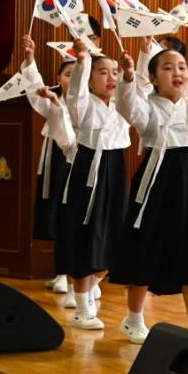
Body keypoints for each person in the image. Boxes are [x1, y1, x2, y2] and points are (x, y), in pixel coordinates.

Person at [110, 30, 188, 344]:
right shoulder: (148, 108)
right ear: (154, 79)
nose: (177, 72)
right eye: (167, 68)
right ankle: (133, 319)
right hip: (155, 181)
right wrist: (128, 77)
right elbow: (128, 107)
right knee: (146, 245)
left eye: (181, 67)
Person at [62, 39, 131, 330]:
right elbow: (76, 94)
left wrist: (139, 59)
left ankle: (90, 289)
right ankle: (81, 308)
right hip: (88, 168)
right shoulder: (83, 105)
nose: (111, 77)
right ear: (90, 80)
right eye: (102, 72)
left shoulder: (123, 104)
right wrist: (82, 62)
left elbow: (140, 89)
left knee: (116, 236)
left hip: (116, 168)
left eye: (114, 72)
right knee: (85, 235)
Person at [21, 35, 77, 303]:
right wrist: (30, 58)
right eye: (67, 74)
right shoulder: (55, 96)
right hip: (56, 158)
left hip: (80, 160)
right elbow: (35, 92)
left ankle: (74, 275)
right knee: (56, 211)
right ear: (58, 77)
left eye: (77, 75)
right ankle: (62, 271)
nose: (71, 80)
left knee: (72, 215)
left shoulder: (89, 101)